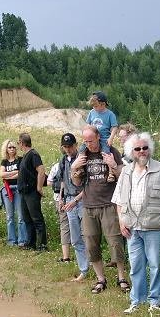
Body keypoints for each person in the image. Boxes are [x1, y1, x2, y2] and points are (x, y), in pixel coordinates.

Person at [113, 132, 160, 314]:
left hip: (153, 227)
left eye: (145, 148)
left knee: (156, 265)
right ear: (131, 152)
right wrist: (121, 222)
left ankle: (155, 301)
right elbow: (119, 200)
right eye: (138, 149)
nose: (142, 151)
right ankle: (137, 301)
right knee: (135, 267)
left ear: (149, 149)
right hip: (131, 228)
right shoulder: (125, 171)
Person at [71, 125, 128, 294]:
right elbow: (76, 183)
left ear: (98, 137)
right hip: (89, 204)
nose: (89, 144)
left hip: (109, 203)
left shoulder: (111, 151)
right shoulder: (82, 155)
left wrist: (113, 165)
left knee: (115, 241)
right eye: (86, 141)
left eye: (91, 140)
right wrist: (74, 168)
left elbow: (123, 176)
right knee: (90, 243)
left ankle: (121, 277)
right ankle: (100, 279)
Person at [58, 133, 89, 282]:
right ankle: (83, 269)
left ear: (75, 145)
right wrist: (61, 197)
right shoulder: (63, 160)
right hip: (69, 199)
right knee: (75, 238)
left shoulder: (82, 159)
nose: (68, 149)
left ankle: (92, 264)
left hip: (82, 199)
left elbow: (88, 185)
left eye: (70, 146)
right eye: (65, 146)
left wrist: (75, 200)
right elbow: (63, 181)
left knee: (87, 235)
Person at [17, 132, 47, 251]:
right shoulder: (25, 155)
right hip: (24, 192)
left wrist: (39, 187)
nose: (18, 145)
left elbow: (41, 170)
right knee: (27, 219)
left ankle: (42, 244)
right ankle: (31, 243)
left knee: (37, 219)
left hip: (32, 191)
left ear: (22, 143)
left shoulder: (33, 154)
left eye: (18, 143)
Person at [0, 138, 28, 247]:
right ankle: (11, 240)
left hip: (18, 188)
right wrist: (14, 173)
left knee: (21, 216)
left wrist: (9, 175)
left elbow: (21, 174)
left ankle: (22, 240)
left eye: (14, 147)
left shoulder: (20, 160)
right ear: (6, 149)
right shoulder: (4, 161)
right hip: (7, 189)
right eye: (10, 147)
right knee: (9, 217)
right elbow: (2, 175)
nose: (12, 149)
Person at [47, 157, 71, 261]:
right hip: (71, 197)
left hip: (59, 198)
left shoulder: (56, 166)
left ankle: (66, 256)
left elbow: (49, 182)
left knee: (64, 225)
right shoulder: (75, 164)